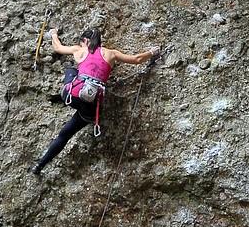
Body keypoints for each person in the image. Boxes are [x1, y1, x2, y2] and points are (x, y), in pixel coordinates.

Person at [31, 28, 159, 175]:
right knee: (65, 134)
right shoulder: (110, 53)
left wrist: (53, 34)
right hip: (91, 105)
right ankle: (40, 165)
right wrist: (151, 52)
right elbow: (136, 59)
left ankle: (40, 165)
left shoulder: (80, 50)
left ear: (85, 41)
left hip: (72, 94)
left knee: (71, 71)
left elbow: (58, 48)